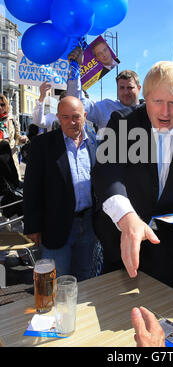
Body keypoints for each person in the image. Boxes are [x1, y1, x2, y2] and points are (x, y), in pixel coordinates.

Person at [91, 61, 173, 296]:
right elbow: (106, 172)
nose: (165, 112)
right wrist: (127, 218)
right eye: (157, 101)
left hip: (172, 250)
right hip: (123, 244)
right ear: (145, 96)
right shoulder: (122, 122)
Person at [23, 96, 98, 281]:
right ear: (58, 117)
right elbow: (32, 188)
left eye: (76, 117)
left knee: (85, 279)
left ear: (85, 116)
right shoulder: (42, 145)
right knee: (57, 282)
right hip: (56, 226)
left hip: (89, 225)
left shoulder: (96, 142)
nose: (71, 122)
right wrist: (33, 226)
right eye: (65, 117)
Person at [67, 46, 142, 138]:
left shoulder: (149, 110)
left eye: (130, 88)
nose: (125, 92)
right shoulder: (105, 108)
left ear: (139, 88)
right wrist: (76, 68)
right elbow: (77, 103)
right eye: (122, 88)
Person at [0, 94, 27, 180]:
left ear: (6, 105)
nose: (0, 107)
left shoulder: (12, 119)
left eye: (2, 105)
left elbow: (17, 138)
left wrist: (23, 139)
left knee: (12, 184)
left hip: (10, 158)